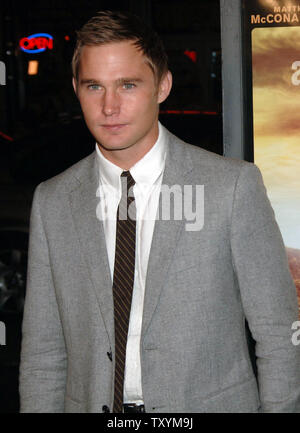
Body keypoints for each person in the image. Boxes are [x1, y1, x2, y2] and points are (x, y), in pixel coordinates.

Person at [19, 10, 300, 413]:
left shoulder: (231, 188)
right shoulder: (53, 201)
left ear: (162, 86)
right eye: (94, 86)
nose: (109, 106)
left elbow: (278, 334)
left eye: (128, 85)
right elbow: (44, 355)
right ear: (76, 89)